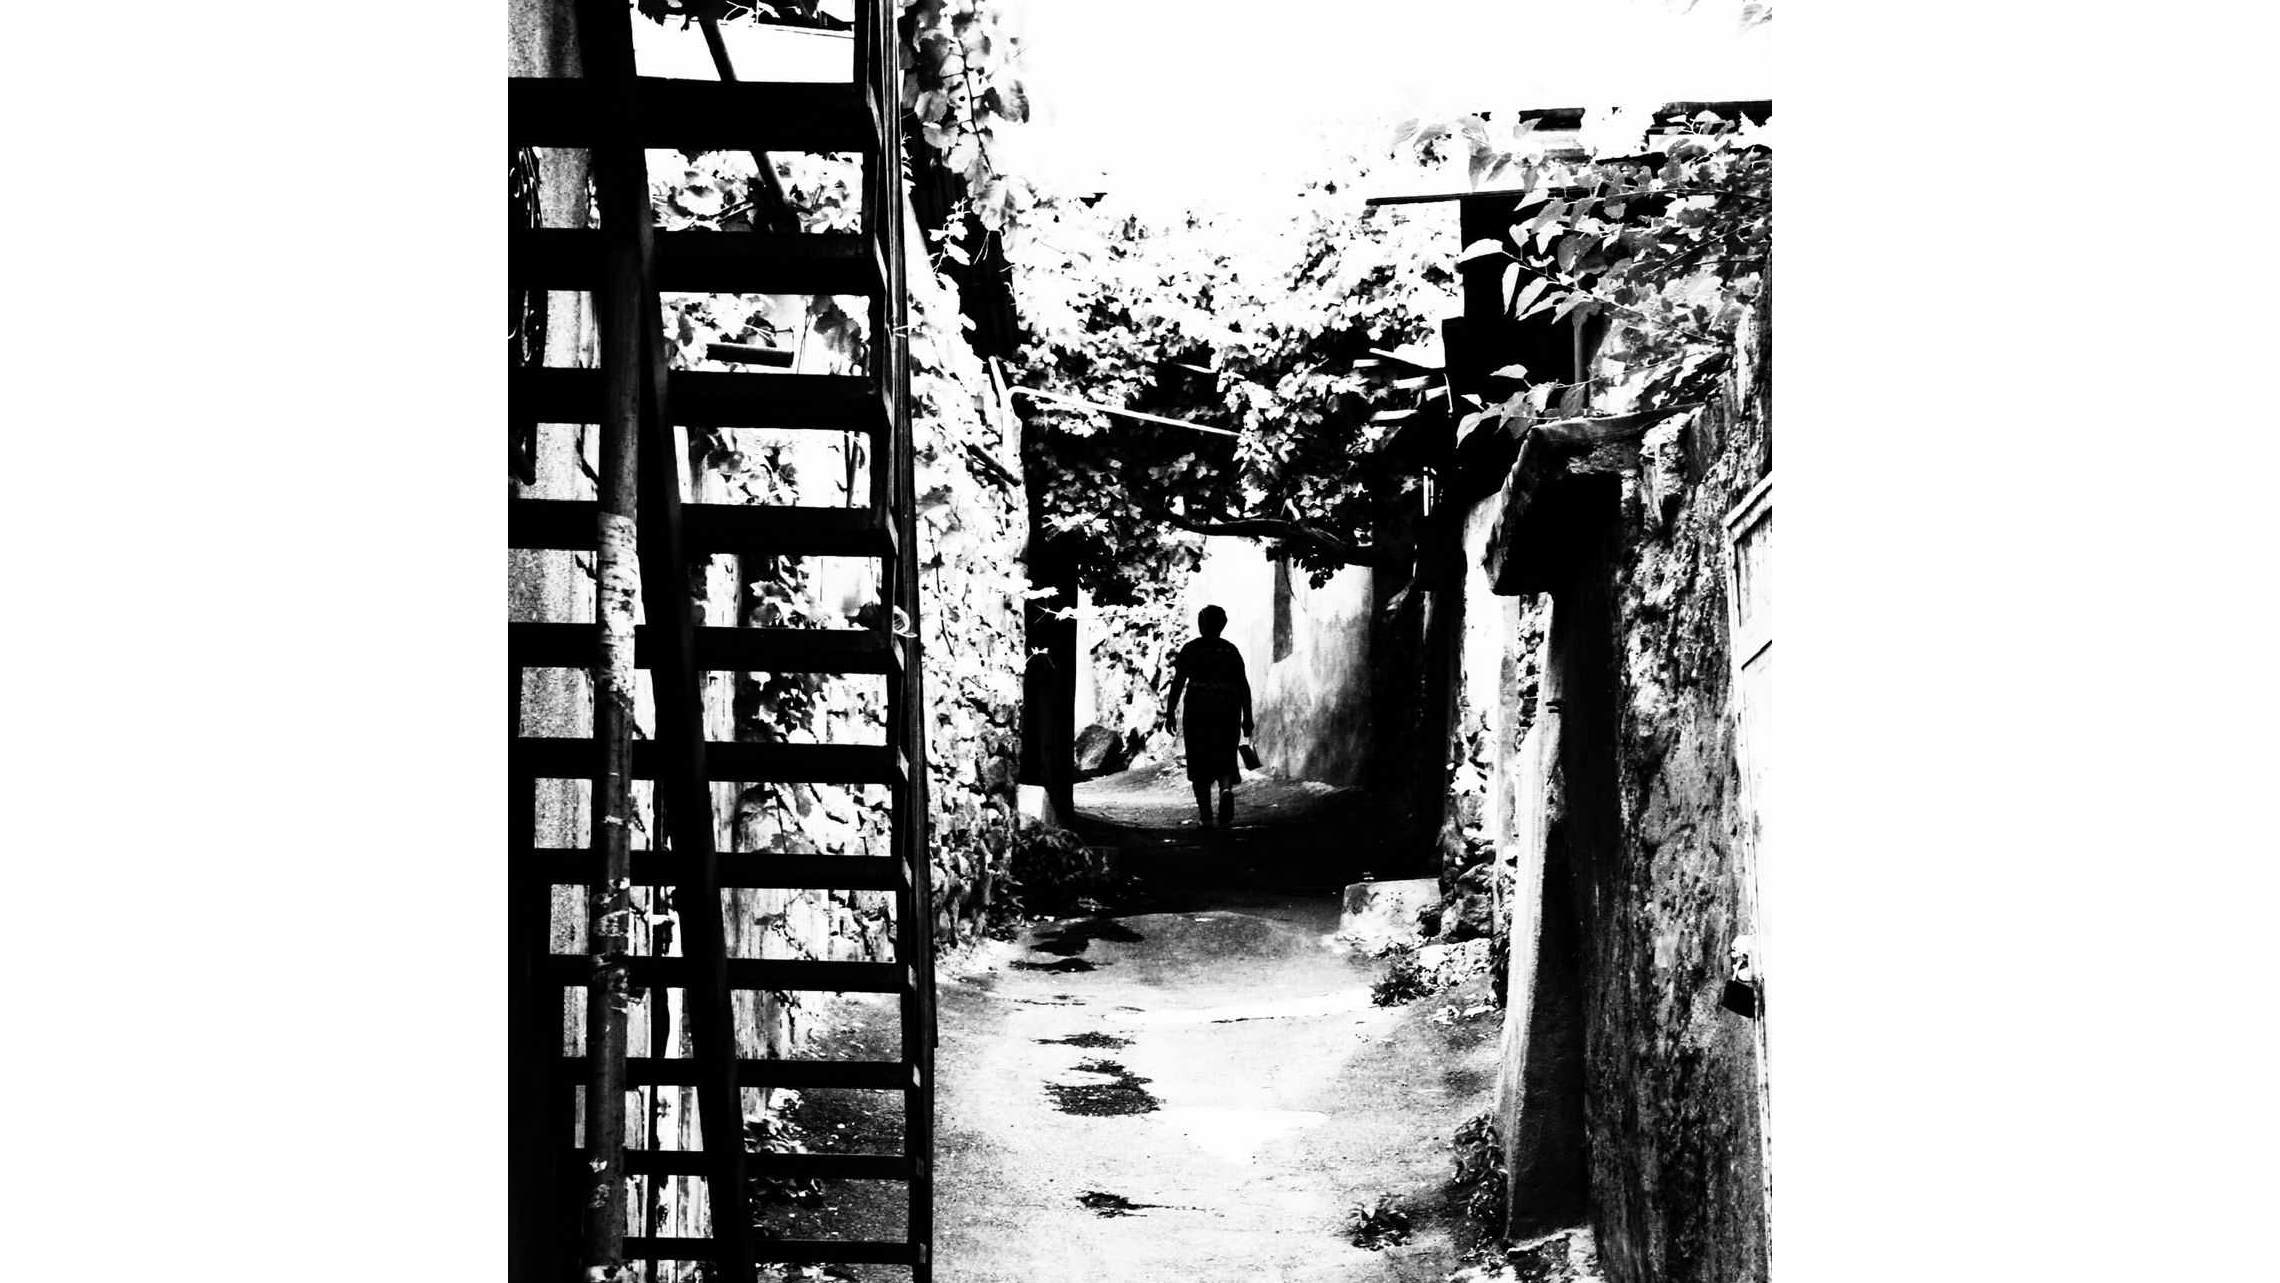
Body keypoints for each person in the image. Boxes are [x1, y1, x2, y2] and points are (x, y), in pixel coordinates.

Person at [1162, 605, 1254, 829]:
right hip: (1228, 710)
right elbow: (1243, 686)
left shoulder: (1191, 649)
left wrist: (1170, 712)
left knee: (1199, 761)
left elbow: (1178, 682)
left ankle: (1206, 817)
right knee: (1225, 756)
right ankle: (1225, 789)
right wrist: (1247, 718)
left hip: (1198, 711)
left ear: (1202, 625)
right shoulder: (1230, 651)